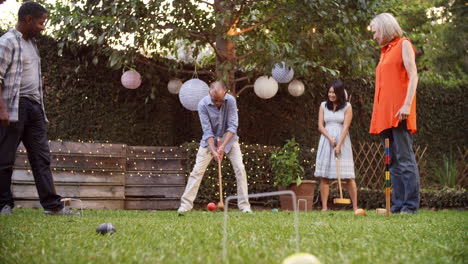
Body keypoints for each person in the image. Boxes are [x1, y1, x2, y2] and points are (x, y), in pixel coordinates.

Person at [0, 2, 79, 215]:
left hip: (34, 109)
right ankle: (3, 205)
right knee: (5, 158)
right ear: (27, 19)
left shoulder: (33, 45)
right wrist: (2, 109)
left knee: (41, 159)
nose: (43, 27)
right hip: (14, 107)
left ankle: (53, 206)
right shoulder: (7, 42)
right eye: (41, 22)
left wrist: (41, 111)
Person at [369, 13, 420, 214]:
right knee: (393, 162)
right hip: (383, 115)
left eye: (375, 32)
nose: (373, 36)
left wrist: (407, 105)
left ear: (384, 28)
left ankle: (410, 206)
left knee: (405, 159)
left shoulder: (403, 44)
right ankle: (398, 205)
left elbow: (413, 74)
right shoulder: (384, 52)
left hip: (400, 112)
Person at [177, 81, 252, 213]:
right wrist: (214, 150)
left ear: (226, 93)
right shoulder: (202, 105)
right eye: (214, 100)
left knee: (240, 169)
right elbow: (207, 131)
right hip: (209, 142)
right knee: (196, 172)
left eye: (220, 100)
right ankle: (185, 206)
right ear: (209, 93)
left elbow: (233, 126)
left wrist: (222, 147)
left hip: (229, 140)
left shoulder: (231, 101)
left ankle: (245, 206)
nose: (217, 103)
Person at [314, 81, 358, 211]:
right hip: (326, 140)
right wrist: (329, 138)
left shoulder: (347, 107)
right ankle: (324, 207)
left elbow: (346, 127)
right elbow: (320, 125)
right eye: (329, 92)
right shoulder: (323, 105)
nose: (331, 94)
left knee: (349, 176)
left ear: (339, 93)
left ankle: (355, 206)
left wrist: (339, 144)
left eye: (333, 92)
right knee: (324, 176)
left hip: (342, 141)